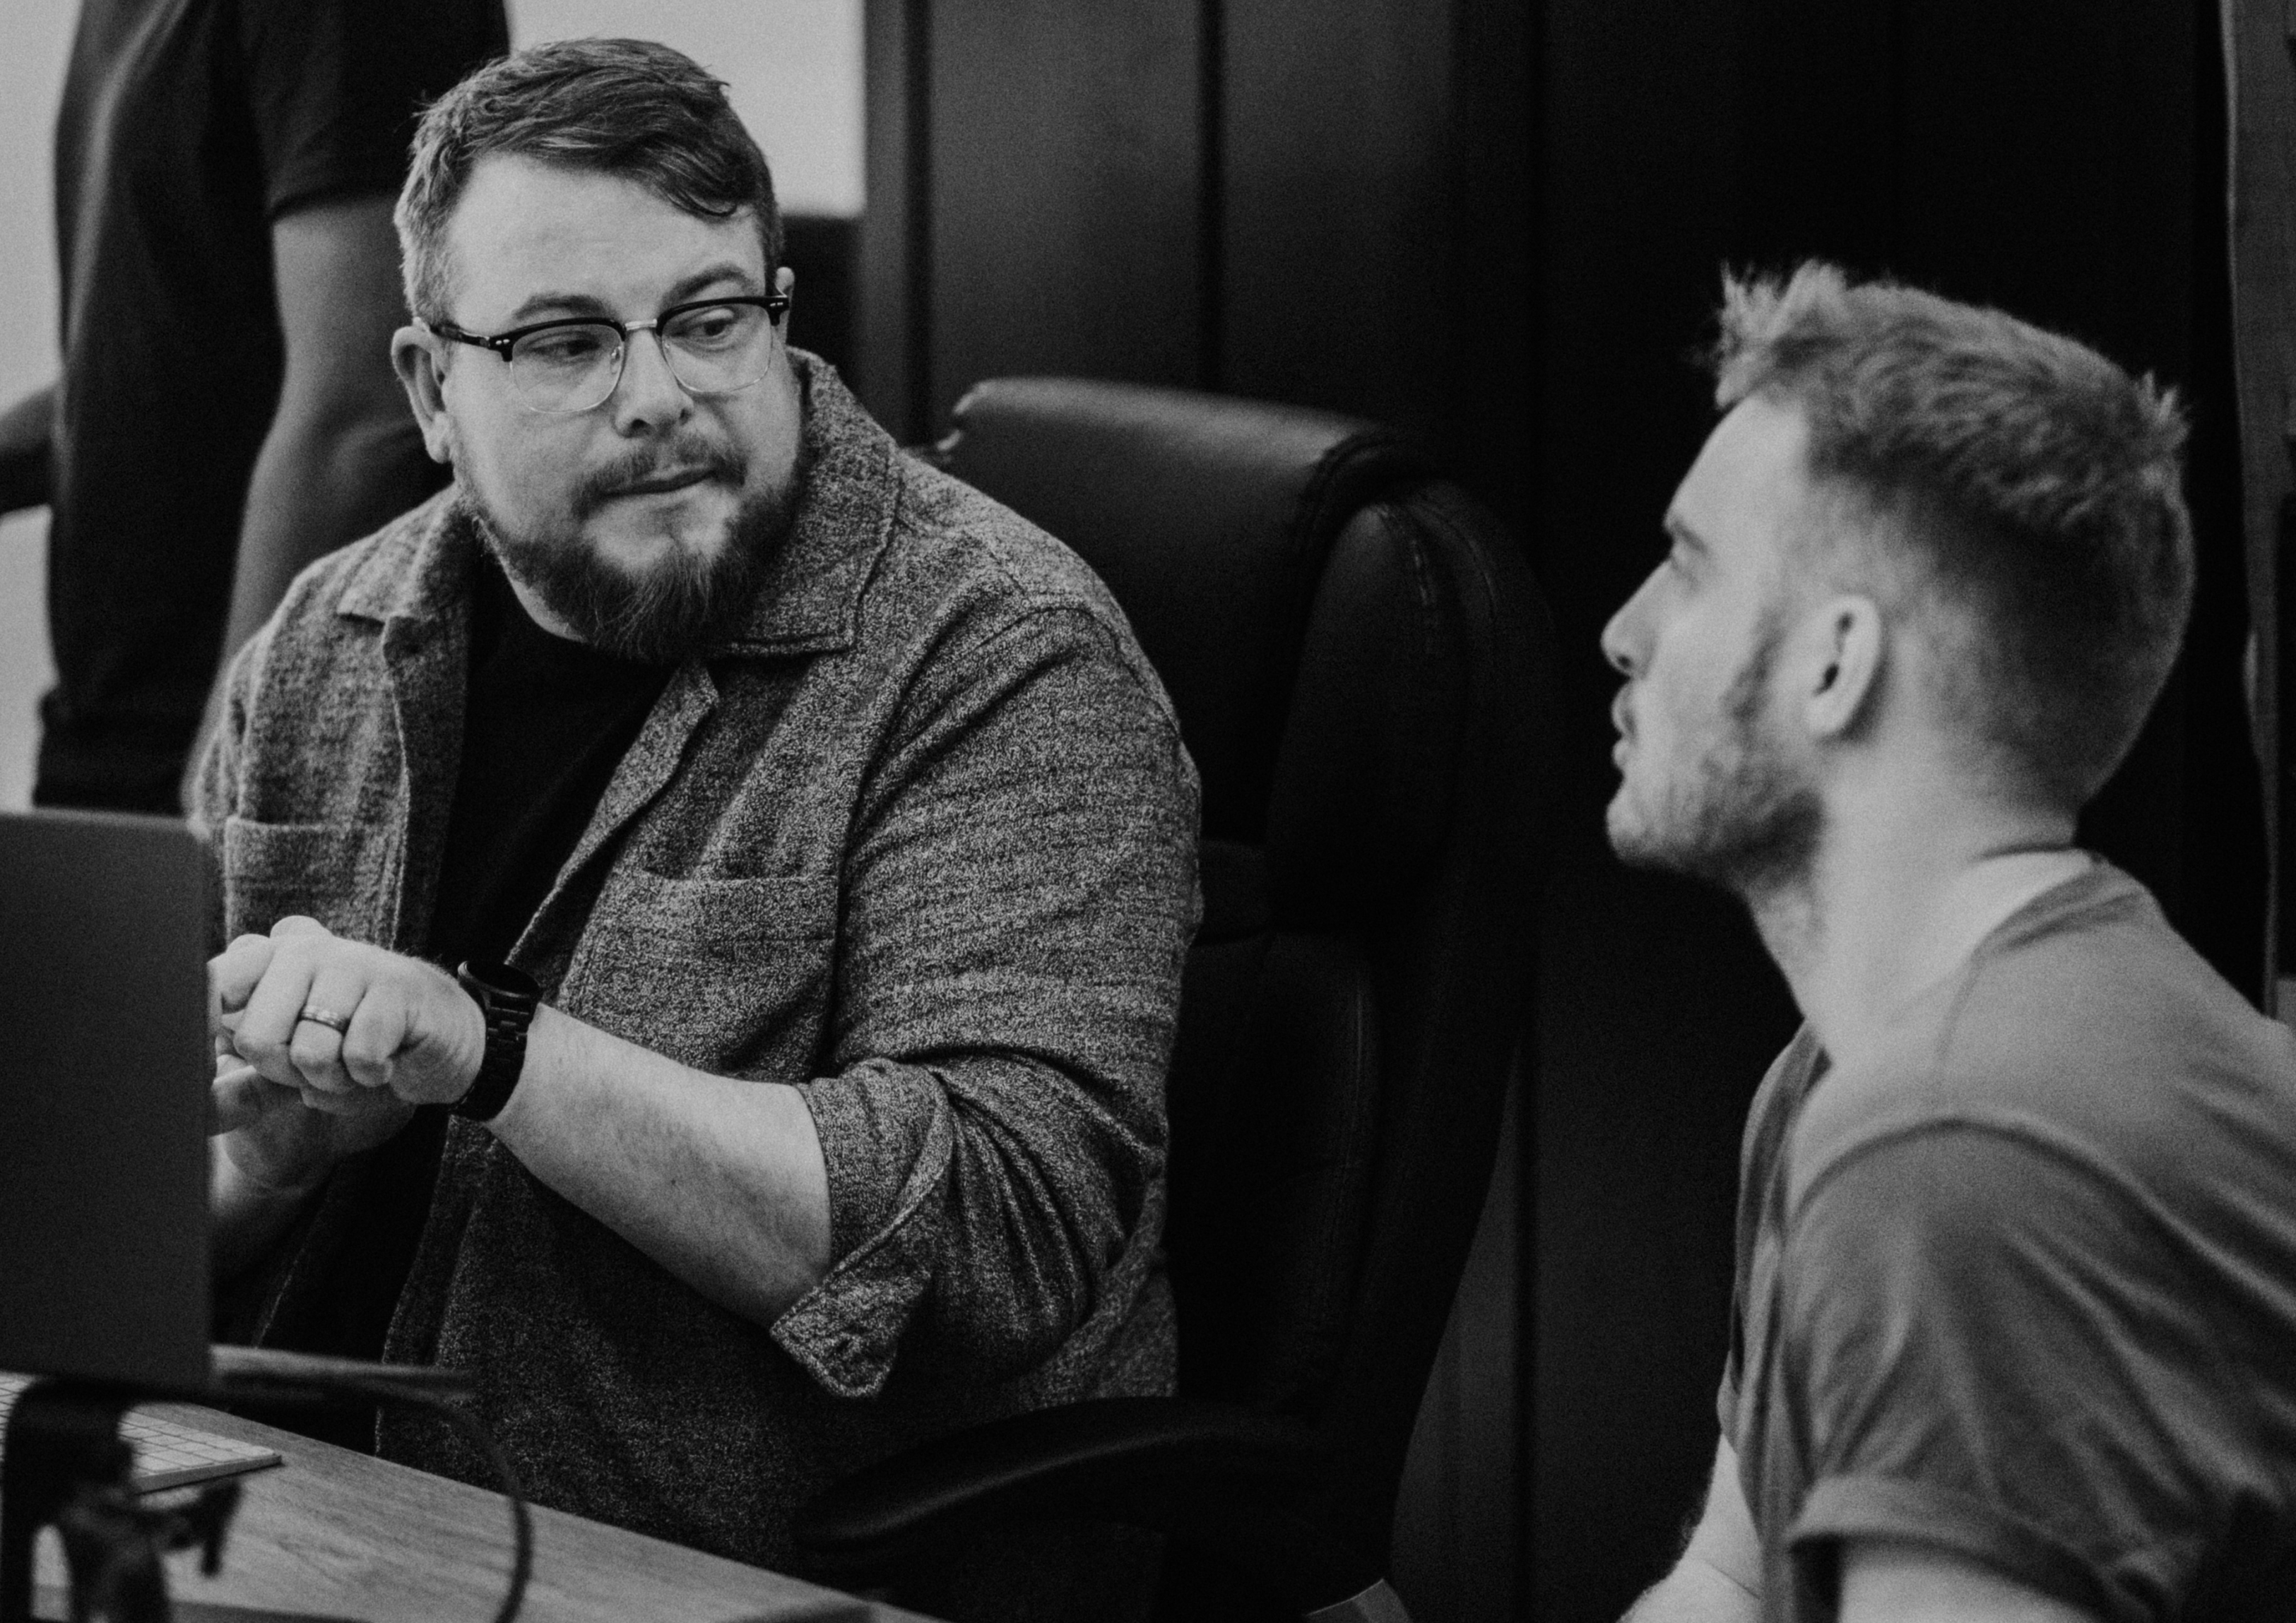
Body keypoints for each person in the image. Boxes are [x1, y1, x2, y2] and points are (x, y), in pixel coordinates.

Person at [197, 35, 1199, 1602]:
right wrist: (270, 1166)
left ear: (780, 318)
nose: (658, 398)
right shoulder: (322, 644)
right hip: (285, 1509)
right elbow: (143, 1215)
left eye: (709, 320)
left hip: (696, 1563)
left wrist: (491, 1047)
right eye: (565, 342)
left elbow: (1001, 1231)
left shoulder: (1001, 652)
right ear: (432, 390)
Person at [1605, 263, 2296, 1622]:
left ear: (1834, 663)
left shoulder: (1963, 1142)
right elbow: (1728, 1582)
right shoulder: (1850, 1069)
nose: (1625, 632)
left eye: (1688, 564)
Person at [0, 0, 507, 814]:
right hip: (109, 735)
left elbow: (363, 413)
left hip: (238, 764)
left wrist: (228, 779)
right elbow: (149, 374)